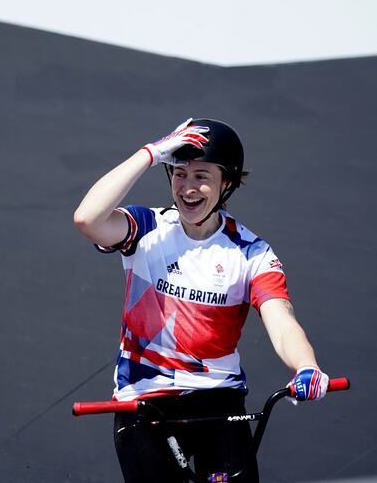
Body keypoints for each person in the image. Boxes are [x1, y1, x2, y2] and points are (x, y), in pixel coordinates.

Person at [73, 118, 330, 482]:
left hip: (216, 400)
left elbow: (281, 319)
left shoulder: (251, 253)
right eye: (179, 174)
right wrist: (150, 154)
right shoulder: (147, 228)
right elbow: (87, 218)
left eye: (202, 176)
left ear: (227, 183)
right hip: (143, 399)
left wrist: (306, 365)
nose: (188, 188)